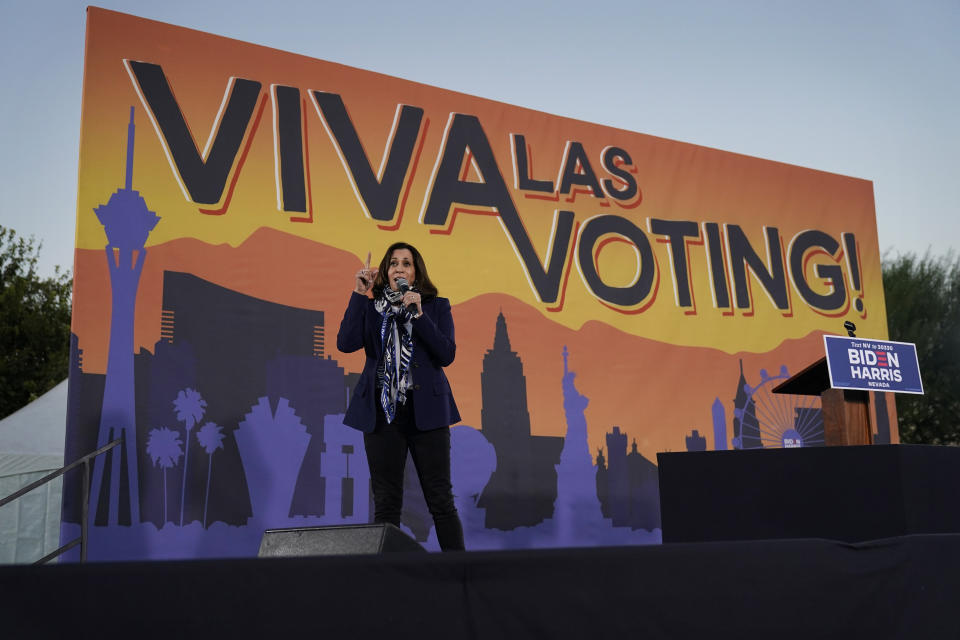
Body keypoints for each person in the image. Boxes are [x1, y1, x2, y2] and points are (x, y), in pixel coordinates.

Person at [336, 242, 465, 551]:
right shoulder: (371, 308)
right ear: (386, 272)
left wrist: (419, 316)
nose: (399, 269)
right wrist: (358, 293)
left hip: (428, 414)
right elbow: (345, 343)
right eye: (393, 263)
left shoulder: (435, 306)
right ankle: (387, 580)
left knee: (440, 499)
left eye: (406, 264)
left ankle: (460, 575)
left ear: (416, 274)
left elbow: (446, 354)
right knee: (386, 501)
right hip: (382, 413)